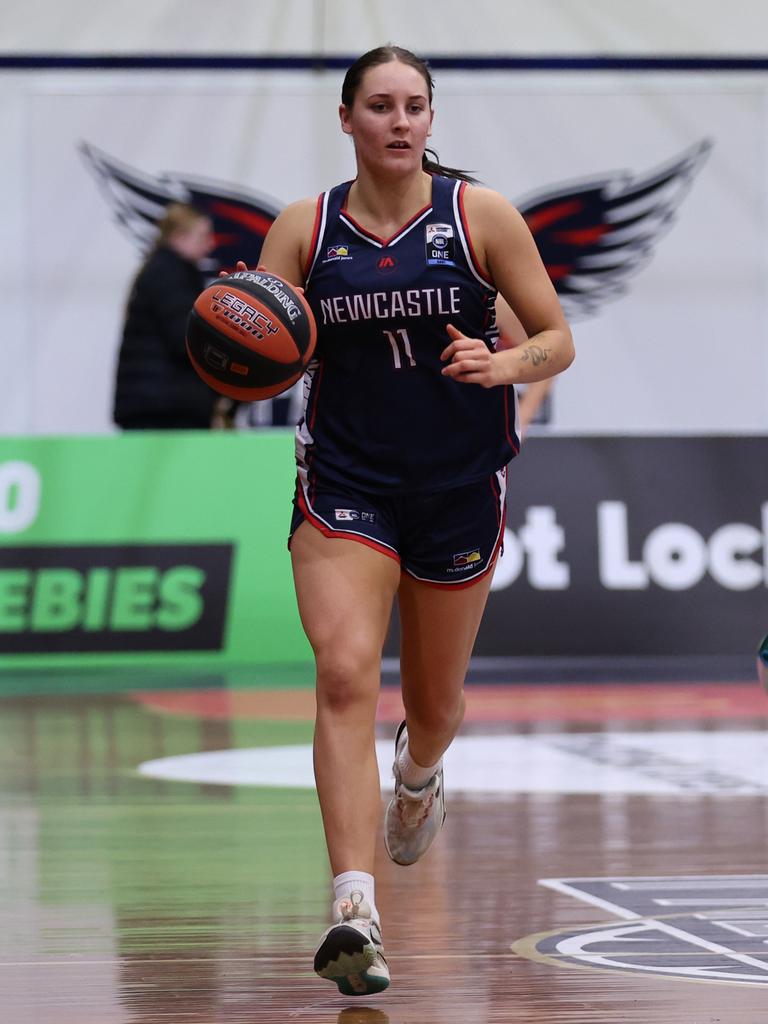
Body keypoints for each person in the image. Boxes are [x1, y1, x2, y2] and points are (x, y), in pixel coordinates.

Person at [248, 44, 574, 995]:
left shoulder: (481, 218)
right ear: (347, 119)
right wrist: (236, 344)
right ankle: (354, 907)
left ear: (432, 121)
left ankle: (421, 774)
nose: (399, 121)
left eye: (415, 106)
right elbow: (265, 344)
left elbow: (554, 338)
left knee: (432, 708)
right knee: (345, 673)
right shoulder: (304, 228)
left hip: (458, 483)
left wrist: (501, 367)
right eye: (380, 105)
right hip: (345, 481)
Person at [113, 203, 224, 429]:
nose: (210, 245)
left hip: (152, 402)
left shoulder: (161, 270)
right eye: (202, 236)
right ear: (179, 237)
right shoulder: (171, 275)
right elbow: (187, 339)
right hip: (165, 409)